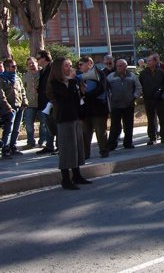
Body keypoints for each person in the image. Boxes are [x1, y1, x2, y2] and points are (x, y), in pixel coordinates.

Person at [46, 57, 91, 191]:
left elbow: (77, 98)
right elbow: (65, 96)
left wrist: (79, 85)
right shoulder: (55, 83)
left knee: (77, 147)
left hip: (75, 117)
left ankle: (77, 175)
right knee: (67, 150)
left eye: (70, 65)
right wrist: (72, 82)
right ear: (59, 68)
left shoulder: (72, 81)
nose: (70, 68)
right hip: (64, 119)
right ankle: (65, 179)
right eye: (66, 66)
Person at [77, 56, 109, 159]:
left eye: (81, 64)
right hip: (85, 109)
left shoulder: (99, 73)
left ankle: (104, 151)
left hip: (98, 108)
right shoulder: (79, 75)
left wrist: (86, 96)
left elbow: (101, 89)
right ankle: (85, 154)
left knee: (100, 131)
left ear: (89, 63)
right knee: (85, 133)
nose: (79, 67)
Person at [106, 59, 142, 150]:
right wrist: (110, 98)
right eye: (117, 66)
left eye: (121, 66)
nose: (118, 67)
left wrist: (134, 97)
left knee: (129, 125)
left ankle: (128, 143)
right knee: (114, 125)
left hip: (128, 104)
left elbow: (138, 88)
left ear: (125, 66)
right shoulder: (110, 77)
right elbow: (106, 89)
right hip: (115, 105)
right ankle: (111, 144)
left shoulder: (132, 76)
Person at [139, 54, 164, 145]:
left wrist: (162, 93)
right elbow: (140, 85)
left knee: (163, 118)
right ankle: (152, 137)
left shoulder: (161, 72)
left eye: (150, 61)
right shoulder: (143, 73)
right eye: (147, 61)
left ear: (155, 61)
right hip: (148, 99)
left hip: (160, 99)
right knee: (151, 119)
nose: (148, 62)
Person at [0, 59, 28, 157]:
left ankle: (13, 146)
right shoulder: (2, 78)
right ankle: (5, 149)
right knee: (9, 129)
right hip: (9, 108)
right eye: (13, 66)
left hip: (19, 106)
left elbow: (22, 91)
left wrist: (25, 102)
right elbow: (1, 95)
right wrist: (8, 107)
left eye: (15, 66)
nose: (15, 68)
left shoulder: (17, 78)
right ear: (7, 68)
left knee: (16, 129)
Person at [35, 50, 57, 155]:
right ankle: (49, 146)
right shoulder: (42, 70)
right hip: (44, 102)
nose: (37, 61)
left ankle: (58, 146)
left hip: (51, 101)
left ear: (44, 58)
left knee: (54, 124)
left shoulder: (52, 69)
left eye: (38, 58)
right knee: (48, 125)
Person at [22, 57, 41, 149]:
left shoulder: (42, 73)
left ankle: (42, 141)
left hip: (41, 103)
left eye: (33, 63)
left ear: (37, 63)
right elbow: (22, 89)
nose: (31, 65)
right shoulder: (25, 76)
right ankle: (30, 142)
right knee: (29, 124)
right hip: (30, 104)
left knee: (44, 124)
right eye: (29, 64)